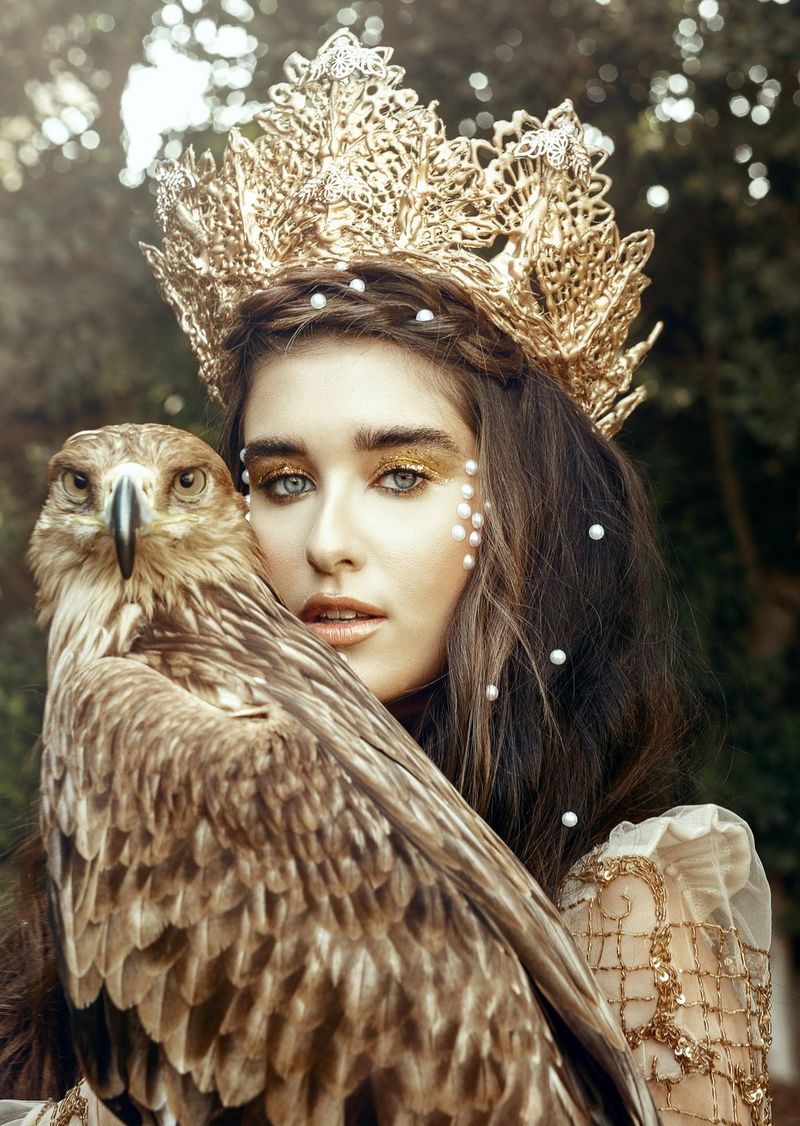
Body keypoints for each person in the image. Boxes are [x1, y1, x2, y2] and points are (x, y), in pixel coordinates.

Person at [0, 29, 771, 1126]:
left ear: (525, 508)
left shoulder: (631, 899)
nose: (327, 541)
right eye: (276, 480)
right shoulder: (161, 770)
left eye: (401, 474)